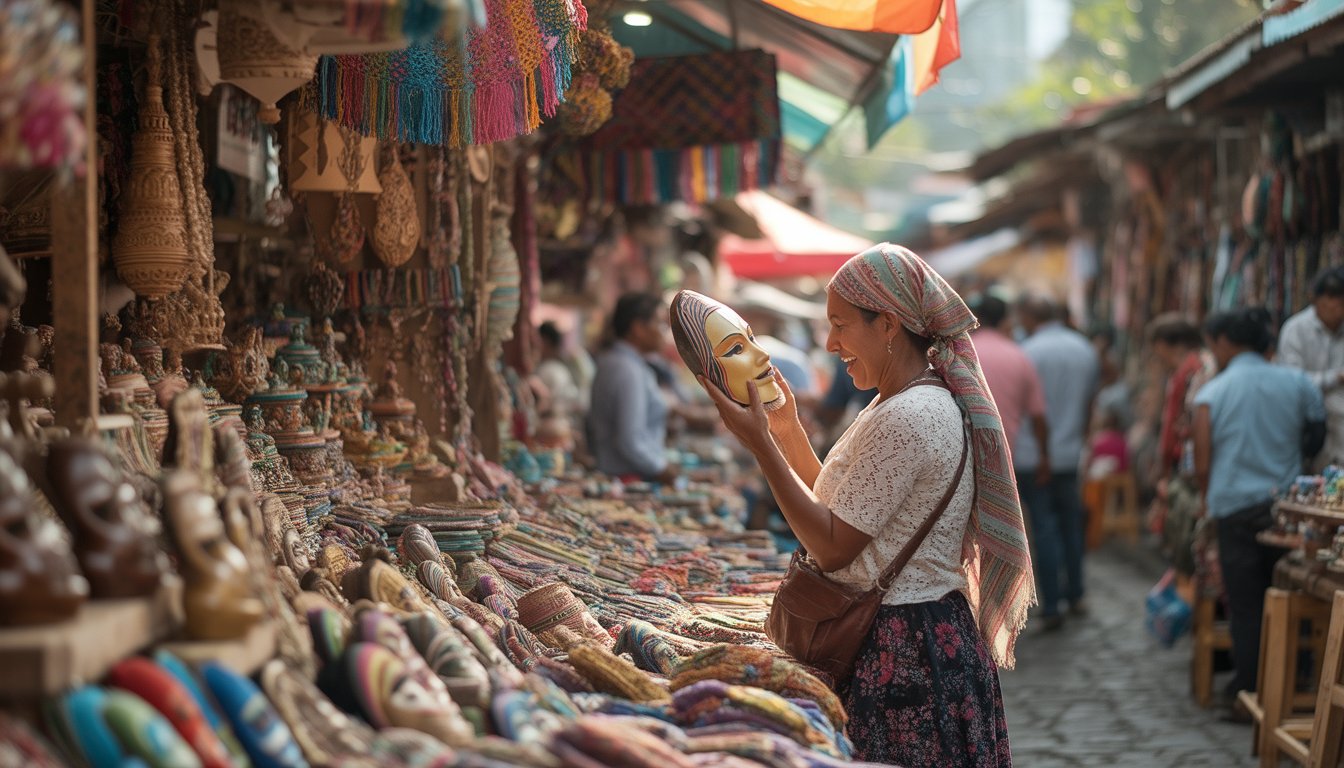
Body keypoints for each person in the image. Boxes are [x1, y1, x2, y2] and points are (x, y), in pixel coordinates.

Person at [700, 244, 1031, 766]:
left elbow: (832, 546)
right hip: (911, 635)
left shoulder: (912, 415)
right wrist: (785, 431)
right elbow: (845, 505)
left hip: (904, 649)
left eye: (840, 325)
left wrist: (761, 447)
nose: (830, 344)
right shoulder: (901, 401)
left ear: (889, 325)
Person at [1193, 307, 1325, 709]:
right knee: (1289, 596)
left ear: (1229, 343)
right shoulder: (1299, 382)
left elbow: (1201, 463)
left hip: (1234, 508)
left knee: (1247, 605)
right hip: (1285, 509)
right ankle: (1294, 686)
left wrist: (1207, 499)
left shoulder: (1212, 393)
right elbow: (1316, 432)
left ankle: (1249, 692)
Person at [1013, 294, 1099, 631]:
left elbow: (1029, 410)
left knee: (1044, 527)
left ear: (1030, 316)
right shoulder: (1084, 348)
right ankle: (1075, 591)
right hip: (1070, 451)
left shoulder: (1029, 352)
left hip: (1034, 454)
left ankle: (1051, 603)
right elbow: (1091, 402)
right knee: (1070, 523)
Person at [1147, 313, 1217, 575]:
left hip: (1186, 463)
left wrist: (1163, 470)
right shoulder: (1205, 362)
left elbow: (1171, 426)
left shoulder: (1186, 371)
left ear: (1167, 344)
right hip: (1198, 459)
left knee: (1183, 535)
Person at [586, 293, 678, 484]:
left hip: (619, 474)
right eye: (660, 324)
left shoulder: (615, 362)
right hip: (629, 478)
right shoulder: (627, 370)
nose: (665, 332)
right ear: (638, 329)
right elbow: (629, 440)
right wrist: (662, 469)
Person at [1276, 266, 1344, 470]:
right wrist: (1335, 378)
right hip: (1307, 427)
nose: (1338, 308)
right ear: (1315, 299)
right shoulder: (1295, 330)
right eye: (1332, 301)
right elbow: (1292, 381)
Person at [969, 293, 1049, 459]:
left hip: (968, 458)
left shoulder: (962, 353)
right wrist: (1044, 456)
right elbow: (1038, 416)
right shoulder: (1018, 355)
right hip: (1010, 458)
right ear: (1005, 320)